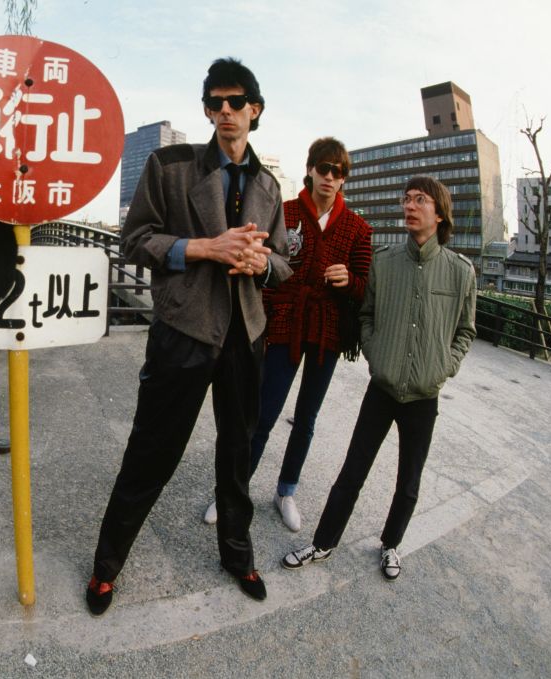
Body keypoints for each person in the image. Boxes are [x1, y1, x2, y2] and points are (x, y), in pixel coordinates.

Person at [84, 58, 292, 615]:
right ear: (206, 110)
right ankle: (107, 565)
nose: (225, 111)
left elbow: (285, 263)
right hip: (184, 329)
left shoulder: (270, 186)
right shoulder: (170, 165)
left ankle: (236, 553)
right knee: (151, 451)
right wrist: (204, 248)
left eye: (236, 101)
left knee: (238, 452)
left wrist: (261, 263)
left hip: (246, 335)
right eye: (215, 102)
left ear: (255, 110)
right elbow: (135, 240)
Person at [282, 175, 476, 580]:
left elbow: (465, 331)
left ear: (439, 213)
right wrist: (376, 355)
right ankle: (323, 542)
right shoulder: (384, 262)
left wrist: (444, 367)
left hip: (425, 395)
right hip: (382, 387)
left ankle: (391, 545)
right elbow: (365, 315)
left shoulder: (460, 273)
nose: (409, 206)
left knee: (409, 480)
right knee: (353, 470)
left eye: (419, 200)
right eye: (405, 199)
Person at [202, 138, 372, 531]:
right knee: (262, 411)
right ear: (310, 168)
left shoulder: (359, 228)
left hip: (327, 332)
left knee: (307, 417)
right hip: (282, 326)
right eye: (324, 168)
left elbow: (365, 288)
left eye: (338, 172)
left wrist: (348, 280)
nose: (330, 177)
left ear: (344, 179)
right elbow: (263, 263)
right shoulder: (286, 211)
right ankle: (231, 491)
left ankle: (286, 491)